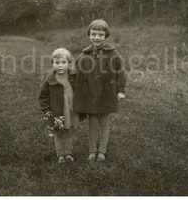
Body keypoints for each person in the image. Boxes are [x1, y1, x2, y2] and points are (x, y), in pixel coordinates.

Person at [74, 19, 126, 162]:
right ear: (89, 34)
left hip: (107, 93)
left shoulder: (113, 54)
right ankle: (92, 150)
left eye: (100, 35)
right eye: (93, 34)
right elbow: (75, 70)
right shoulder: (85, 54)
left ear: (105, 36)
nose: (97, 37)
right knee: (92, 122)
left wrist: (120, 90)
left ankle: (102, 151)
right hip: (90, 94)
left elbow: (120, 72)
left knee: (104, 122)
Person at [38, 48, 80, 164]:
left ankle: (68, 152)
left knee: (69, 130)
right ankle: (60, 154)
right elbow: (43, 96)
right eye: (57, 63)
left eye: (63, 62)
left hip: (71, 109)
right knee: (58, 131)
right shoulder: (50, 80)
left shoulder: (73, 77)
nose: (60, 66)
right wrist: (47, 110)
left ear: (69, 63)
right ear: (52, 64)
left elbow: (80, 90)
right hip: (57, 110)